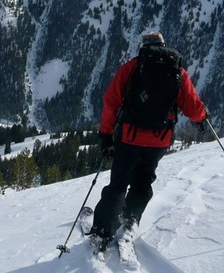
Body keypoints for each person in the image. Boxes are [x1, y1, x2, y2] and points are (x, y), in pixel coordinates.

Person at [88, 31, 207, 251]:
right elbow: (192, 105)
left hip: (130, 137)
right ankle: (130, 221)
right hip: (159, 141)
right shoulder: (178, 72)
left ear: (143, 47)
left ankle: (102, 232)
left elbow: (111, 102)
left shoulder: (131, 68)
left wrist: (105, 135)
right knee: (143, 181)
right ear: (163, 45)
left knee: (118, 184)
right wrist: (202, 117)